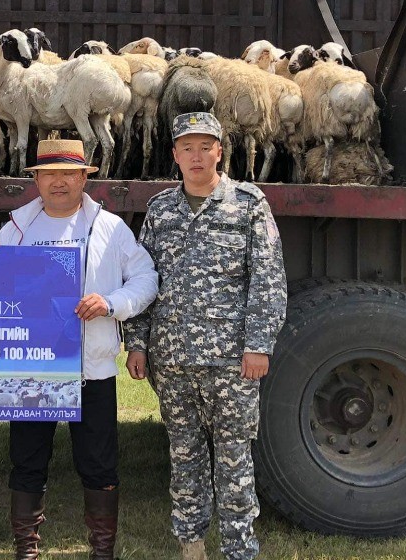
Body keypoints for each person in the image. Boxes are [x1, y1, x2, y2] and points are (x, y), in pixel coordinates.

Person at [0, 138, 158, 560]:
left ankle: (101, 550)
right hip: (32, 368)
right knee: (27, 460)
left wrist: (111, 303)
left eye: (68, 173)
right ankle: (27, 549)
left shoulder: (110, 228)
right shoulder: (16, 228)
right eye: (49, 174)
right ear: (36, 180)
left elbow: (145, 279)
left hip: (91, 367)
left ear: (83, 178)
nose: (59, 182)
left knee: (98, 464)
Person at [125, 112, 287, 560]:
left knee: (234, 462)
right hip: (172, 360)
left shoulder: (248, 204)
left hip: (231, 361)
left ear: (220, 151)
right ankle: (191, 545)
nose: (196, 157)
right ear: (175, 155)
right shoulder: (161, 210)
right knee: (184, 457)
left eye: (205, 147)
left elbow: (268, 279)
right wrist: (137, 343)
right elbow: (144, 281)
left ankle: (238, 550)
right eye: (187, 148)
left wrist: (258, 344)